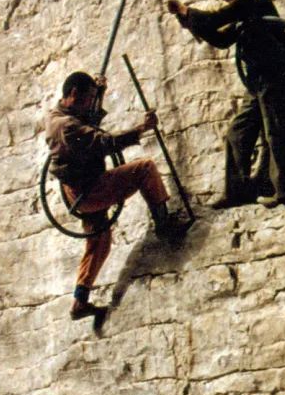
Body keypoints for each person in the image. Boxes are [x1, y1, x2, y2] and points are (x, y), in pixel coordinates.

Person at [46, 71, 189, 320]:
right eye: (88, 98)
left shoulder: (59, 115)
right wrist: (141, 129)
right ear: (73, 95)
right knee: (145, 169)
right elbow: (104, 141)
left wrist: (98, 93)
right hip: (90, 191)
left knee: (99, 242)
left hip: (78, 192)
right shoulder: (66, 126)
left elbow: (87, 120)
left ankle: (80, 301)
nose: (92, 103)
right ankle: (164, 224)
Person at [167, 0, 285, 210]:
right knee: (237, 133)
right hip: (257, 82)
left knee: (275, 132)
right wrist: (186, 19)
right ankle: (237, 192)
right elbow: (220, 39)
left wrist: (186, 10)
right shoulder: (244, 15)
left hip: (273, 76)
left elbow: (217, 19)